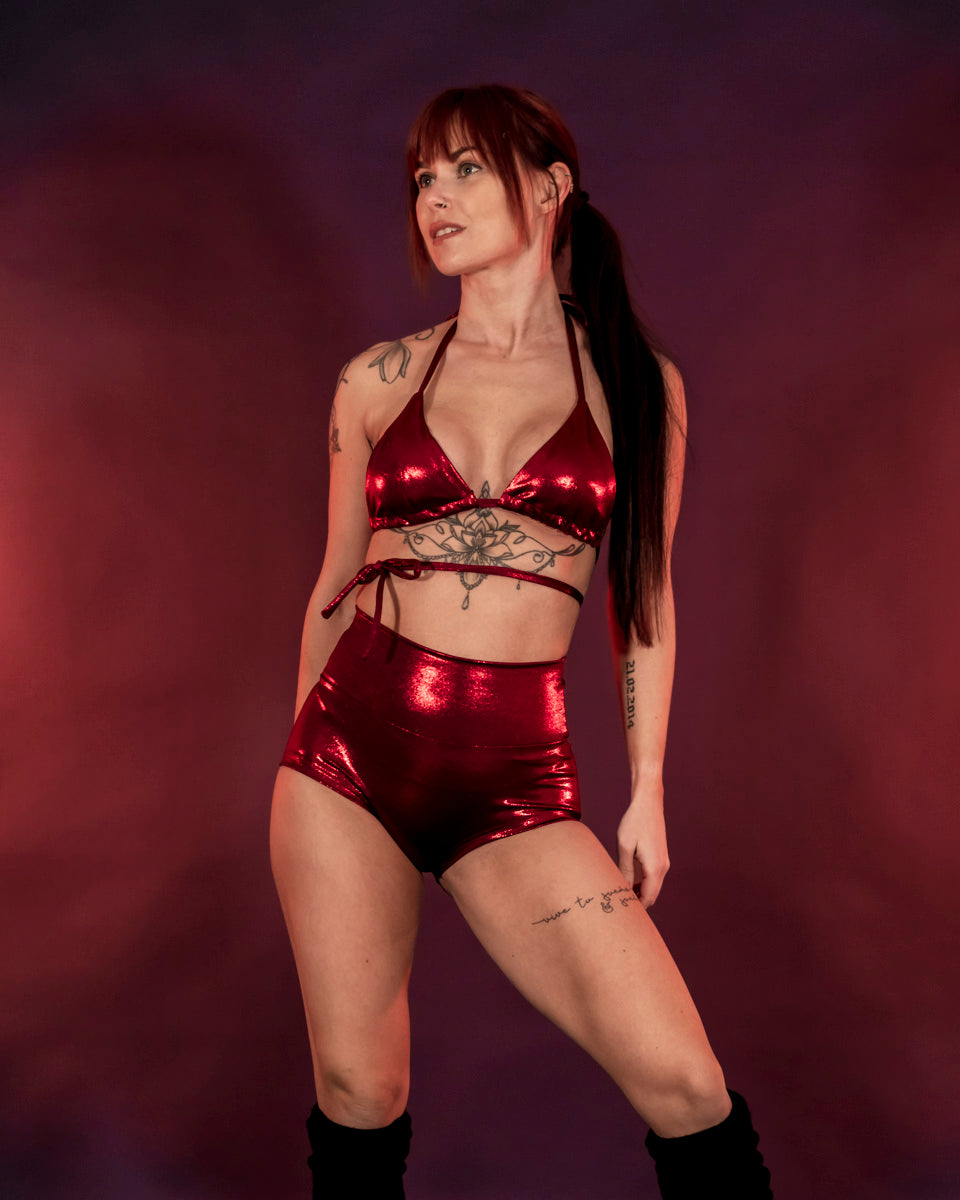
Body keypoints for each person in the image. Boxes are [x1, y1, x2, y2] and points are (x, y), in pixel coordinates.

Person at [270, 84, 773, 1198]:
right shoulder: (376, 379)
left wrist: (647, 790)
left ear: (549, 189)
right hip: (346, 758)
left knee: (687, 1087)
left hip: (514, 779)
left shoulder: (636, 386)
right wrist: (299, 754)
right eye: (422, 177)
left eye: (465, 169)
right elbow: (332, 582)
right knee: (361, 1092)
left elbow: (644, 599)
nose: (435, 197)